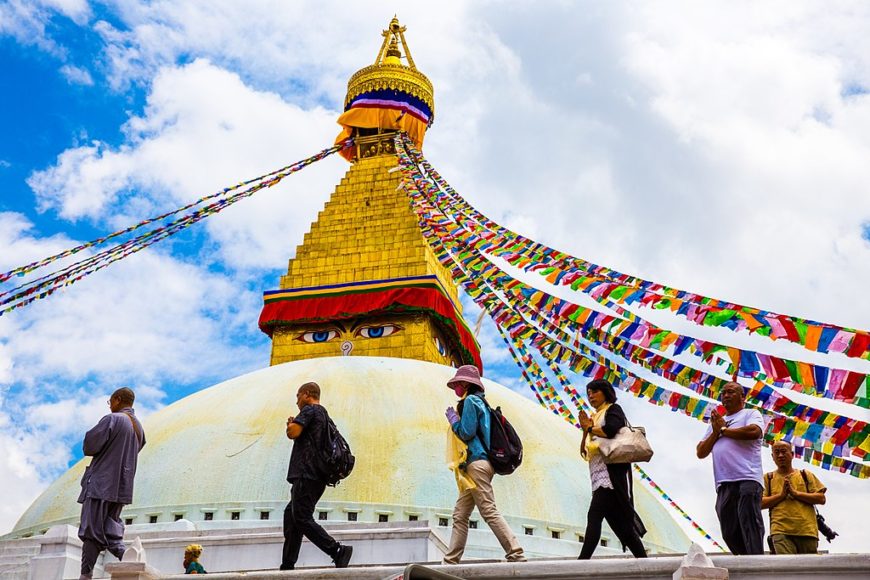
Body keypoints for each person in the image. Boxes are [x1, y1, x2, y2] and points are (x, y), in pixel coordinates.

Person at [442, 365, 526, 564]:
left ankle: (516, 553)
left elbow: (467, 432)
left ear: (466, 384)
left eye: (459, 383)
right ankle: (450, 561)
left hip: (476, 463)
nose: (457, 388)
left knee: (488, 510)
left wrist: (454, 421)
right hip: (474, 466)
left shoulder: (471, 401)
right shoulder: (482, 403)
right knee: (460, 515)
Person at [281, 381, 353, 571]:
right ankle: (287, 564)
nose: (297, 401)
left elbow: (293, 432)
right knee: (292, 516)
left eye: (298, 396)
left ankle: (337, 550)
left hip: (306, 472)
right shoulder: (325, 416)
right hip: (318, 475)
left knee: (302, 516)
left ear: (306, 394)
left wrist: (290, 424)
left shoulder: (310, 410)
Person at [77, 387, 146, 580]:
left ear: (117, 399)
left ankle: (85, 574)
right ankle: (128, 556)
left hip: (101, 484)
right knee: (111, 528)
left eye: (110, 402)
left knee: (91, 530)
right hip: (121, 487)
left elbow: (90, 446)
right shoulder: (138, 428)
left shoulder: (113, 419)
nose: (110, 406)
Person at [576, 378, 648, 559]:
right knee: (623, 529)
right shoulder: (595, 416)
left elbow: (611, 429)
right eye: (589, 393)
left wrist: (589, 427)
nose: (591, 396)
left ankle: (581, 562)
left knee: (594, 516)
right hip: (598, 472)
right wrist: (587, 428)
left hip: (609, 475)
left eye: (595, 391)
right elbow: (586, 449)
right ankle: (645, 562)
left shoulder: (613, 410)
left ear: (606, 392)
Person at [696, 381, 765, 555]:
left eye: (731, 392)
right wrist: (716, 431)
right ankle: (744, 559)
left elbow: (754, 432)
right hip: (724, 482)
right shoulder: (717, 423)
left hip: (747, 478)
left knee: (749, 523)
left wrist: (724, 430)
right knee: (729, 530)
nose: (726, 395)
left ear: (743, 397)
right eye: (723, 392)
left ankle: (756, 562)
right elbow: (701, 451)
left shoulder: (750, 413)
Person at [761, 441, 827, 554]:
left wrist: (796, 494)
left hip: (806, 530)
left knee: (807, 568)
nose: (780, 455)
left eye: (783, 451)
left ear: (792, 454)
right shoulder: (768, 478)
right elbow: (759, 503)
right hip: (780, 530)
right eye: (777, 452)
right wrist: (781, 496)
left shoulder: (805, 475)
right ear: (772, 456)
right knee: (786, 568)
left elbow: (821, 498)